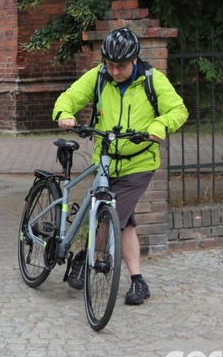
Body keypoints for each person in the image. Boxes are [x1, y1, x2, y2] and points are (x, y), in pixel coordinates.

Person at [52, 27, 188, 305]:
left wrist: (159, 125)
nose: (115, 71)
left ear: (135, 60)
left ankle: (81, 257)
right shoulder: (98, 76)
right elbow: (69, 97)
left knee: (111, 212)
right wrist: (65, 114)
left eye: (121, 66)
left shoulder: (153, 81)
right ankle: (138, 280)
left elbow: (178, 110)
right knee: (123, 223)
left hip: (138, 164)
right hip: (104, 163)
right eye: (110, 65)